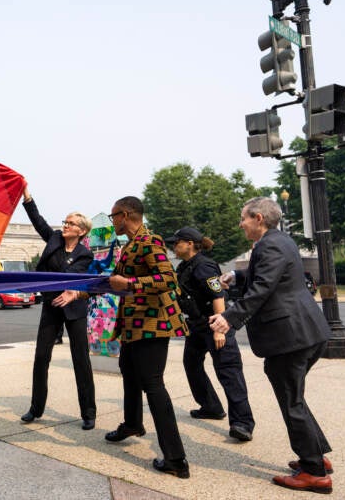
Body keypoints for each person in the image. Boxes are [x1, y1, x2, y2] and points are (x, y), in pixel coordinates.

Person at [209, 197, 332, 494]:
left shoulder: (270, 244)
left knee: (292, 400)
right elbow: (267, 275)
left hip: (291, 337)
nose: (241, 224)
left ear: (258, 218)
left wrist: (229, 318)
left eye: (243, 218)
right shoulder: (279, 240)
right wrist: (237, 275)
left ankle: (314, 472)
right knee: (296, 397)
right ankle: (318, 455)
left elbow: (264, 287)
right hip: (304, 332)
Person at [105, 196, 190, 479]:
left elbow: (168, 280)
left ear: (126, 214)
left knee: (153, 385)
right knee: (128, 370)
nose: (112, 221)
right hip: (133, 326)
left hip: (153, 325)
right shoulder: (130, 245)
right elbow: (112, 280)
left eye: (113, 216)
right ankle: (132, 424)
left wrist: (130, 283)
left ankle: (176, 459)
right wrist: (77, 291)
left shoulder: (150, 241)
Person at [167, 227, 255, 442]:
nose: (173, 246)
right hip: (197, 326)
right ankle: (210, 407)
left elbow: (218, 296)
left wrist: (218, 329)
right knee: (192, 364)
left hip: (215, 324)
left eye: (176, 242)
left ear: (189, 243)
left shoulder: (204, 265)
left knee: (228, 372)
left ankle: (242, 423)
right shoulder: (185, 266)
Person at [20, 186, 97, 430]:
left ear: (81, 231)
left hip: (74, 309)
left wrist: (71, 291)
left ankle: (88, 412)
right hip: (52, 306)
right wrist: (27, 196)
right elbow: (38, 221)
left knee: (80, 359)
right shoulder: (53, 239)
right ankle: (36, 408)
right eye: (65, 221)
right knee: (41, 357)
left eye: (70, 223)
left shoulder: (86, 255)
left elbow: (72, 275)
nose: (65, 225)